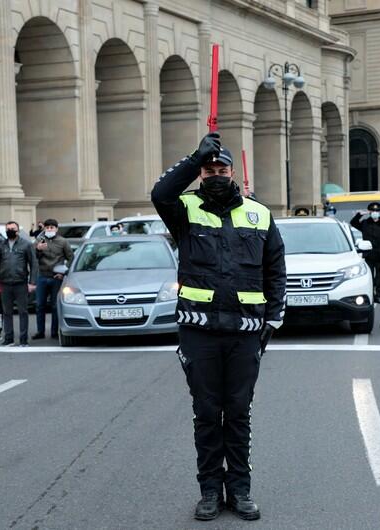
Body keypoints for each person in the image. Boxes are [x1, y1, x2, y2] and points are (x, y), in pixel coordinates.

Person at [151, 132, 287, 522]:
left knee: (239, 413)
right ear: (201, 174)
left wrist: (273, 317)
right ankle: (210, 491)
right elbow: (160, 193)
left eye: (220, 170)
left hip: (245, 332)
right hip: (199, 331)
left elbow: (275, 268)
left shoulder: (259, 214)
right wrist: (194, 157)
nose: (214, 175)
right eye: (208, 170)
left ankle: (240, 490)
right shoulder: (185, 209)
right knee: (208, 414)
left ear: (232, 173)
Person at [0, 221, 38, 347]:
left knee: (23, 311)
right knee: (7, 312)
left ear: (17, 230)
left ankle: (23, 339)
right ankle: (9, 338)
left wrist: (32, 282)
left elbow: (33, 264)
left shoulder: (26, 244)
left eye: (13, 228)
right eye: (8, 229)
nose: (10, 231)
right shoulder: (0, 245)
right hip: (5, 283)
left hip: (21, 283)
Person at [32, 218, 73, 340]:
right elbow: (32, 257)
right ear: (44, 228)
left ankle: (55, 331)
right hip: (42, 276)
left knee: (55, 306)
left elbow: (71, 258)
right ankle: (40, 331)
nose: (49, 229)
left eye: (52, 227)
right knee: (40, 305)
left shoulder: (63, 241)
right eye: (47, 227)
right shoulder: (39, 240)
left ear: (56, 229)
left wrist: (64, 272)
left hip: (56, 277)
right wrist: (38, 249)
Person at [350, 202, 380, 302]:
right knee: (369, 276)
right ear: (370, 212)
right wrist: (360, 214)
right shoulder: (365, 223)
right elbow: (353, 223)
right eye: (373, 211)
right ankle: (370, 294)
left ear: (379, 212)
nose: (375, 212)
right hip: (368, 255)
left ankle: (378, 294)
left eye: (376, 211)